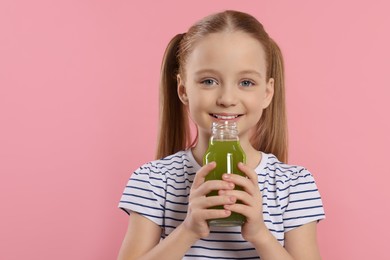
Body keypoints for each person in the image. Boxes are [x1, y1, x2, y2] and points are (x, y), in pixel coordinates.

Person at [117, 10, 325, 260]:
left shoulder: (294, 185)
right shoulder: (153, 181)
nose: (227, 99)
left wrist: (260, 234)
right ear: (183, 90)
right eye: (208, 81)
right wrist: (188, 229)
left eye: (246, 82)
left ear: (267, 93)